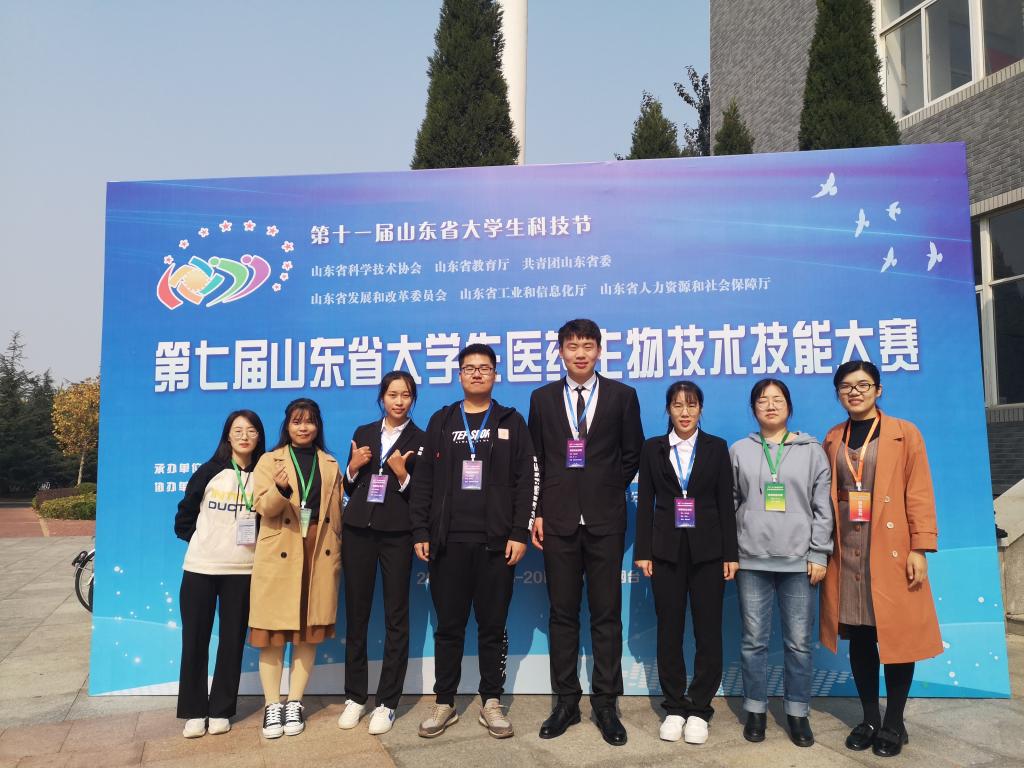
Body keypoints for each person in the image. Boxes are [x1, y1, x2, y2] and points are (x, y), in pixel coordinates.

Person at [409, 343, 538, 740]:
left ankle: (491, 701)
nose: (477, 373)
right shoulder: (442, 420)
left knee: (492, 626)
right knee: (449, 626)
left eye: (484, 368)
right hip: (447, 543)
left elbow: (527, 480)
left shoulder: (511, 421)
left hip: (496, 544)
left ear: (496, 374)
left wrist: (519, 532)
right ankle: (444, 701)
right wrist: (421, 531)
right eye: (470, 368)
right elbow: (423, 480)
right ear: (460, 375)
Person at [527, 318, 644, 746]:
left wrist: (607, 488)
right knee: (562, 614)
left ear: (599, 351)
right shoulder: (542, 399)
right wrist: (539, 512)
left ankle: (606, 704)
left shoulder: (622, 396)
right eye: (572, 345)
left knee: (606, 613)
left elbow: (632, 453)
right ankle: (566, 702)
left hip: (605, 520)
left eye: (587, 345)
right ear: (560, 351)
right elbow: (536, 459)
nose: (580, 353)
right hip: (557, 520)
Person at [820, 361, 941, 758]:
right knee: (860, 637)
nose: (854, 392)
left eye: (863, 385)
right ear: (838, 393)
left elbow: (918, 492)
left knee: (897, 638)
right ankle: (870, 718)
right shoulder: (833, 437)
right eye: (846, 386)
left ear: (878, 389)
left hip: (890, 550)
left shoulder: (905, 433)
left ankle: (894, 723)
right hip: (848, 552)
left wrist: (919, 547)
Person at [731, 378, 833, 748]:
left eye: (777, 399)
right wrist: (731, 551)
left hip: (799, 561)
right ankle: (755, 710)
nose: (770, 405)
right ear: (753, 408)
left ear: (789, 406)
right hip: (752, 559)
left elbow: (823, 506)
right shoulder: (739, 450)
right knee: (753, 641)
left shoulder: (812, 451)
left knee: (799, 643)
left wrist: (819, 552)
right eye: (762, 400)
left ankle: (797, 712)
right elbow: (729, 502)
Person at [634, 382, 737, 745]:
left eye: (691, 405)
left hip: (709, 553)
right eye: (677, 405)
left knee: (708, 631)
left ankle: (700, 708)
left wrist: (731, 554)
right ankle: (675, 706)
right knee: (669, 629)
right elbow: (645, 502)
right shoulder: (653, 448)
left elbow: (725, 503)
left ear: (701, 409)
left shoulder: (716, 447)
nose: (684, 412)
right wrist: (643, 551)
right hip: (665, 552)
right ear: (668, 410)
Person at [337, 371, 426, 736]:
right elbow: (349, 487)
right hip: (358, 530)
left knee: (396, 617)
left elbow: (423, 495)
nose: (399, 401)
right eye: (392, 394)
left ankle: (387, 702)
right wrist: (353, 467)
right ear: (382, 398)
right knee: (356, 615)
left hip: (397, 534)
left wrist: (403, 475)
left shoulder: (421, 439)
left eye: (405, 395)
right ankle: (355, 696)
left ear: (413, 399)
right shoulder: (363, 432)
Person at [249, 398, 342, 739]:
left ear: (318, 425)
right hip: (281, 551)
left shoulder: (330, 463)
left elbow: (337, 514)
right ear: (286, 425)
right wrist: (281, 489)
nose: (304, 427)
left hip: (318, 551)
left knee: (308, 633)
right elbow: (263, 507)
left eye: (310, 421)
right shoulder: (269, 460)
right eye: (297, 421)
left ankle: (295, 702)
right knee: (272, 635)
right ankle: (272, 704)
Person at [174, 409, 266, 738]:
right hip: (201, 568)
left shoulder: (264, 474)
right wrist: (208, 541)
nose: (244, 436)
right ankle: (194, 711)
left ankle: (221, 709)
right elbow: (183, 519)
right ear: (227, 435)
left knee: (232, 642)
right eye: (237, 430)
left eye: (251, 430)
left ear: (259, 436)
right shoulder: (209, 471)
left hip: (242, 571)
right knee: (194, 641)